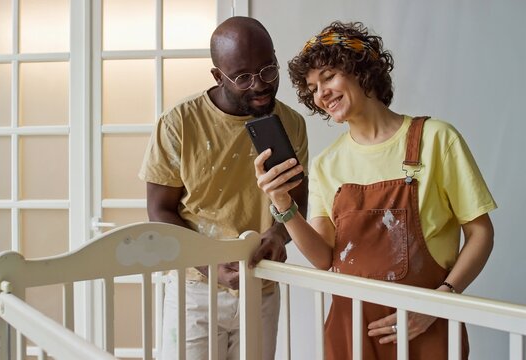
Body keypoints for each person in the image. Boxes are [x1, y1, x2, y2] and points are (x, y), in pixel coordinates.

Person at [254, 21, 496, 359]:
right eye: (312, 88)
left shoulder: (436, 139)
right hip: (349, 330)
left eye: (328, 77)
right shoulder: (327, 163)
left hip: (426, 326)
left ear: (362, 71)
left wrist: (441, 301)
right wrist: (282, 203)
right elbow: (324, 258)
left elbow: (481, 232)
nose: (320, 94)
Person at [139, 16, 309, 360]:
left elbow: (297, 201)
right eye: (243, 77)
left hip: (260, 286)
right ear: (218, 76)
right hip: (194, 290)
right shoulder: (178, 123)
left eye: (268, 70)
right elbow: (159, 211)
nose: (260, 85)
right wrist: (208, 264)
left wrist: (278, 235)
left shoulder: (291, 123)